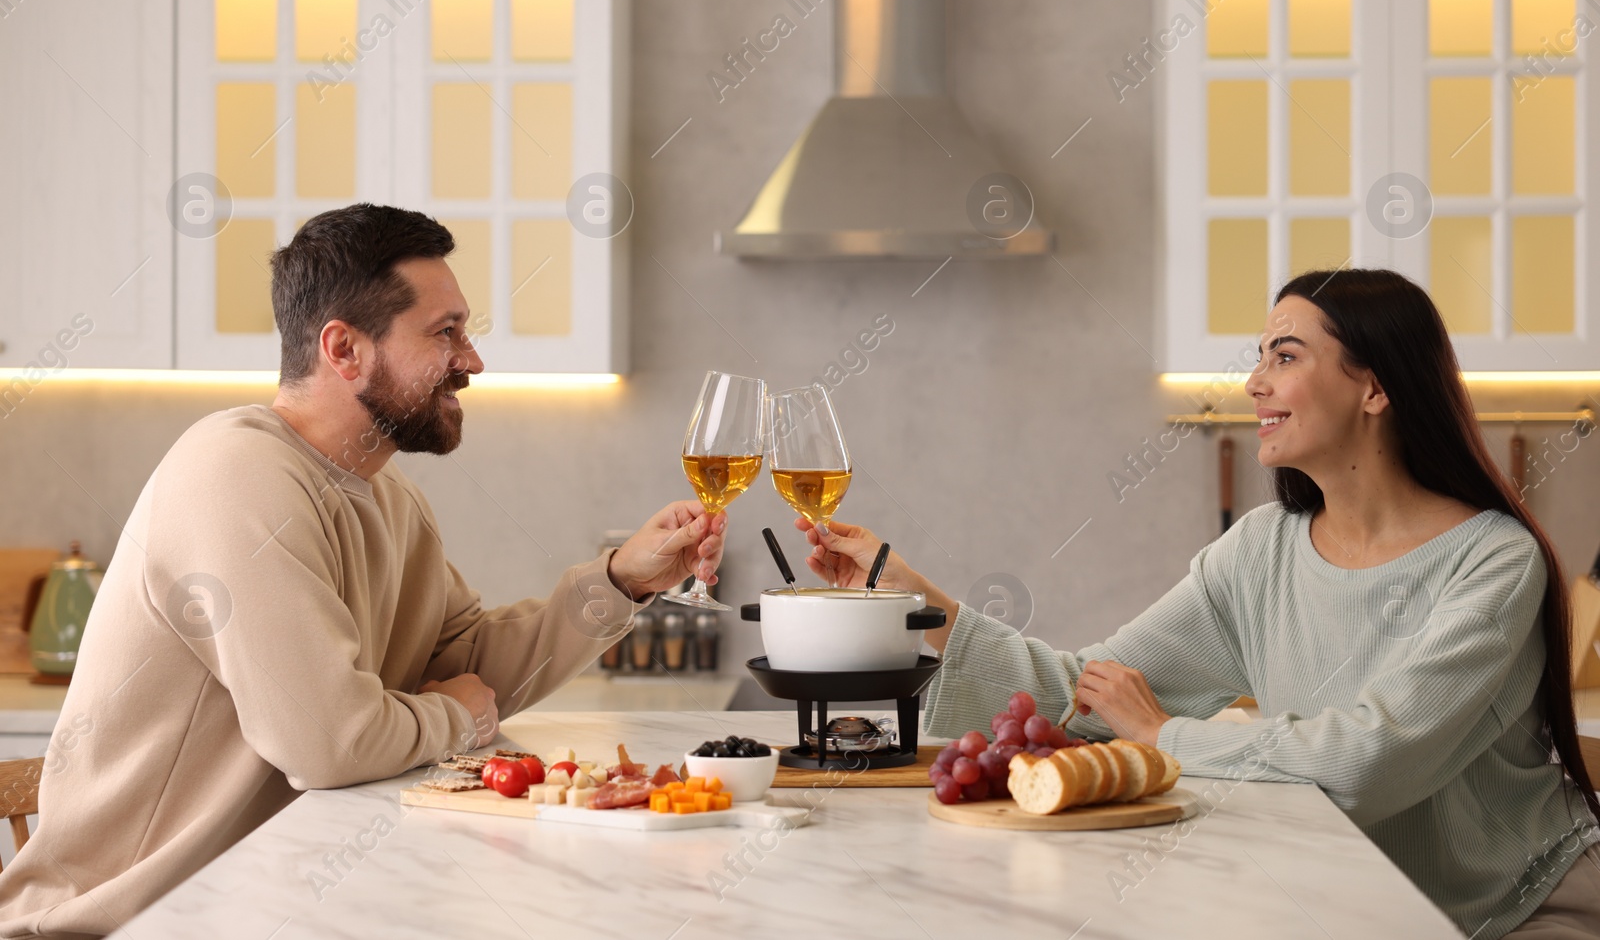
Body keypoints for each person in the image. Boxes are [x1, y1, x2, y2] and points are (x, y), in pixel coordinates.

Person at [799, 268, 1600, 939]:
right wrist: (916, 600)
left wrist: (1162, 732)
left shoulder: (1494, 563)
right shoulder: (1260, 552)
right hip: (1361, 907)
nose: (1254, 382)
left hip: (1518, 909)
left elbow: (1363, 764)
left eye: (1284, 356)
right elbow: (1083, 692)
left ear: (1377, 388)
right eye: (1259, 358)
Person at [0, 204, 726, 938]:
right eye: (445, 332)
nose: (472, 359)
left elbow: (465, 659)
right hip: (122, 924)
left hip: (264, 906)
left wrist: (623, 580)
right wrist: (462, 716)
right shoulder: (235, 472)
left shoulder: (385, 493)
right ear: (344, 349)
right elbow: (329, 742)